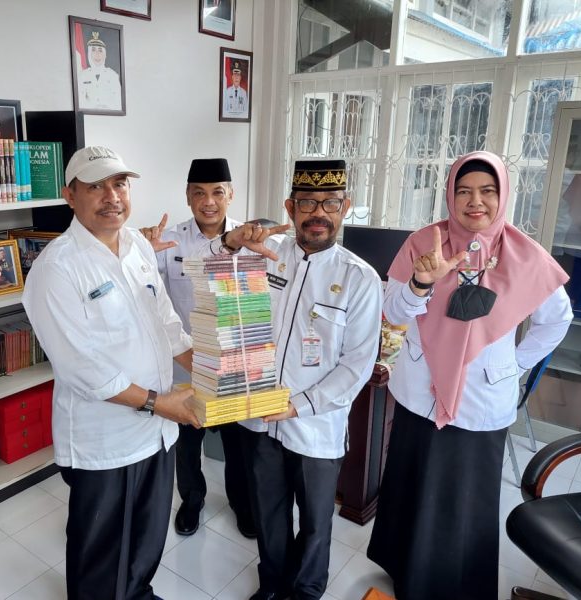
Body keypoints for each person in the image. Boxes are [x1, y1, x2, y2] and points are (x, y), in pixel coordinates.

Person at [366, 151, 572, 600]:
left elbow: (557, 320)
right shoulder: (425, 242)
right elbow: (393, 311)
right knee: (410, 484)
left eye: (486, 191)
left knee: (463, 499)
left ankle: (453, 585)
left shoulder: (525, 256)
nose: (474, 201)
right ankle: (404, 570)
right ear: (449, 196)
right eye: (463, 191)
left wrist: (514, 364)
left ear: (503, 195)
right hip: (420, 391)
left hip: (481, 400)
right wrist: (421, 283)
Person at [22, 145, 200, 600]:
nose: (111, 196)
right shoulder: (56, 268)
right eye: (95, 186)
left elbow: (165, 319)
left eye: (119, 183)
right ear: (70, 195)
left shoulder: (138, 245)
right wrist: (160, 403)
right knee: (100, 551)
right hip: (105, 438)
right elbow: (82, 366)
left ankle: (138, 593)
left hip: (158, 430)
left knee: (147, 533)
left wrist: (205, 366)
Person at [209, 160, 383, 600]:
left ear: (346, 207)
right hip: (258, 418)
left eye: (329, 203)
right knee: (268, 512)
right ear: (290, 207)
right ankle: (272, 585)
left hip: (314, 424)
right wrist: (230, 241)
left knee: (315, 519)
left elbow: (358, 364)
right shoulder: (266, 252)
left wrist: (299, 405)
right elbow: (210, 273)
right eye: (307, 202)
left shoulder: (359, 278)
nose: (317, 213)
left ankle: (305, 591)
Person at [141, 158, 256, 539]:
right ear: (188, 197)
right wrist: (138, 249)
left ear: (231, 195)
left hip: (233, 361)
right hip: (185, 363)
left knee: (238, 443)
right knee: (186, 443)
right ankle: (192, 500)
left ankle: (242, 503)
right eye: (200, 193)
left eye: (217, 192)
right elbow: (146, 293)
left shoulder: (251, 239)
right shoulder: (170, 240)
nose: (209, 201)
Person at [77, 32, 122, 111]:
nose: (97, 54)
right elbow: (80, 102)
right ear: (89, 54)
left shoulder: (113, 75)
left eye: (100, 50)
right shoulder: (82, 76)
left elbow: (118, 103)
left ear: (105, 55)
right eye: (93, 50)